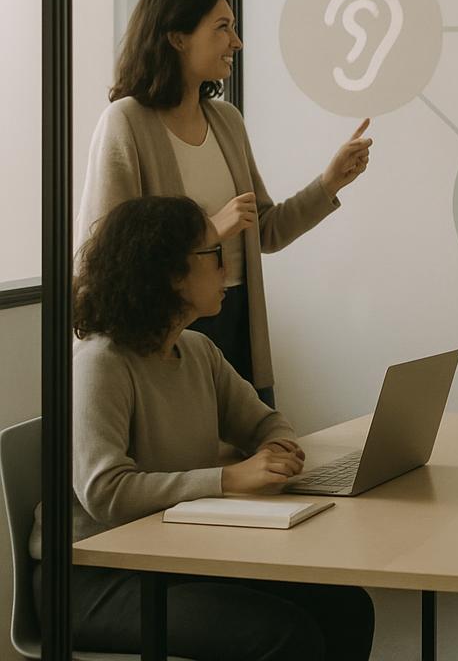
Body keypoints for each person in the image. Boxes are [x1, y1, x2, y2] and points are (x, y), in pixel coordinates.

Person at [30, 195, 374, 661]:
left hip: (172, 554)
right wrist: (231, 478)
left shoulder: (196, 350)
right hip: (92, 577)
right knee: (283, 636)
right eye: (213, 255)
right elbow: (105, 492)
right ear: (171, 273)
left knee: (347, 606)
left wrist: (278, 448)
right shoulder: (101, 364)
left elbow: (265, 422)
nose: (226, 266)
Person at [77, 0, 372, 404]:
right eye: (222, 28)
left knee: (263, 455)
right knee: (204, 463)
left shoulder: (226, 121)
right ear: (177, 37)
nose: (237, 42)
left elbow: (264, 230)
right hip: (166, 328)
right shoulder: (126, 123)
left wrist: (329, 182)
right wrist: (208, 231)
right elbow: (107, 255)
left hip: (237, 319)